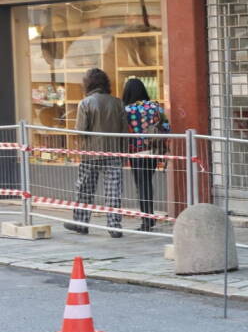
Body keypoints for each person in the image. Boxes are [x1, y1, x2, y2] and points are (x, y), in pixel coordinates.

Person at [65, 68, 131, 238]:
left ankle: (81, 223)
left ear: (88, 84)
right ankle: (115, 226)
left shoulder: (85, 103)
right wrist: (123, 154)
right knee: (113, 192)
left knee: (85, 189)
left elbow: (80, 131)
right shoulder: (118, 103)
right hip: (114, 153)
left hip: (90, 154)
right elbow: (124, 132)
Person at [122, 78, 170, 232]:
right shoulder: (155, 107)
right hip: (153, 150)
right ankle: (149, 217)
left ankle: (147, 220)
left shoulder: (127, 110)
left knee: (141, 184)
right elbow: (167, 127)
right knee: (147, 182)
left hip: (136, 152)